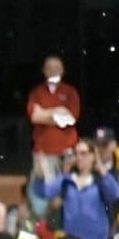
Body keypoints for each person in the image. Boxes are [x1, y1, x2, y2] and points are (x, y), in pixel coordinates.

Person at [41, 138, 119, 239]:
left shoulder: (99, 180)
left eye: (84, 154)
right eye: (76, 154)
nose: (79, 158)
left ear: (93, 156)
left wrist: (101, 168)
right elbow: (46, 191)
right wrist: (65, 173)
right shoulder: (68, 180)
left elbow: (116, 194)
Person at [25, 57, 80, 185]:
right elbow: (34, 117)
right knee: (44, 192)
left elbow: (71, 119)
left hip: (67, 150)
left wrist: (44, 114)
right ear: (44, 71)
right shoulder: (36, 92)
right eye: (49, 68)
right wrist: (59, 110)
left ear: (62, 71)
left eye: (57, 68)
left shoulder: (70, 92)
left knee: (67, 188)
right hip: (43, 150)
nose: (53, 71)